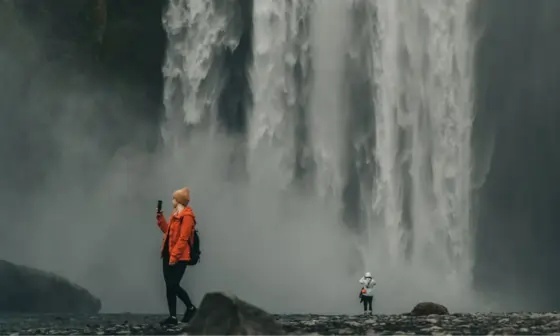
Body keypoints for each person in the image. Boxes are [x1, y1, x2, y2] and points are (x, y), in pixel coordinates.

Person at [156, 187, 198, 326]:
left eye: (174, 198)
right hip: (168, 254)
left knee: (173, 284)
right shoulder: (175, 215)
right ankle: (173, 317)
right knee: (170, 286)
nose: (172, 201)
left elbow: (183, 238)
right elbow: (168, 232)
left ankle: (191, 308)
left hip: (180, 257)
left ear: (180, 200)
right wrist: (160, 218)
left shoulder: (187, 217)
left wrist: (174, 256)